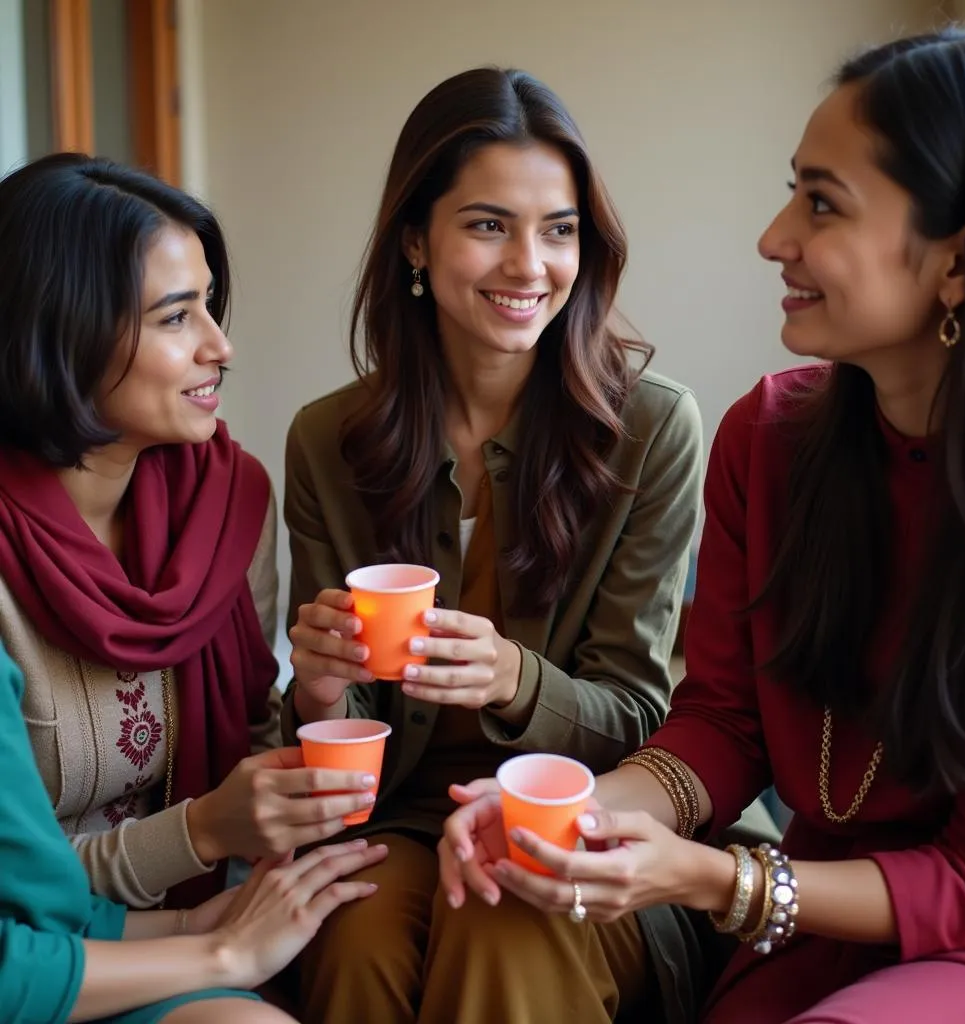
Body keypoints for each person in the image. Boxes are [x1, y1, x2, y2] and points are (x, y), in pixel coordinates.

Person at [440, 29, 965, 1024]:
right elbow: (723, 720)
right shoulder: (770, 437)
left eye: (822, 203)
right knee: (510, 900)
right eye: (793, 191)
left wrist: (719, 883)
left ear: (958, 262)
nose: (773, 237)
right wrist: (578, 812)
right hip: (821, 905)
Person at [284, 67, 704, 1022]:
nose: (530, 265)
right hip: (399, 819)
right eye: (487, 225)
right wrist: (316, 690)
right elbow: (331, 761)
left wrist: (514, 677)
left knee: (501, 906)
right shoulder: (327, 441)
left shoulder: (650, 429)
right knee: (351, 930)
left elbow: (642, 714)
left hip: (582, 820)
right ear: (413, 242)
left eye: (558, 230)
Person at [0, 154, 378, 910]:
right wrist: (199, 835)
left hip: (204, 917)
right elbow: (16, 893)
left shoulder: (227, 500)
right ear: (60, 333)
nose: (221, 346)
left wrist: (317, 699)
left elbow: (246, 744)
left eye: (210, 305)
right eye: (176, 317)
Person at [0, 634, 385, 1024]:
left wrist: (190, 924)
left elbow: (31, 894)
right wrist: (225, 952)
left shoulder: (226, 578)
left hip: (68, 943)